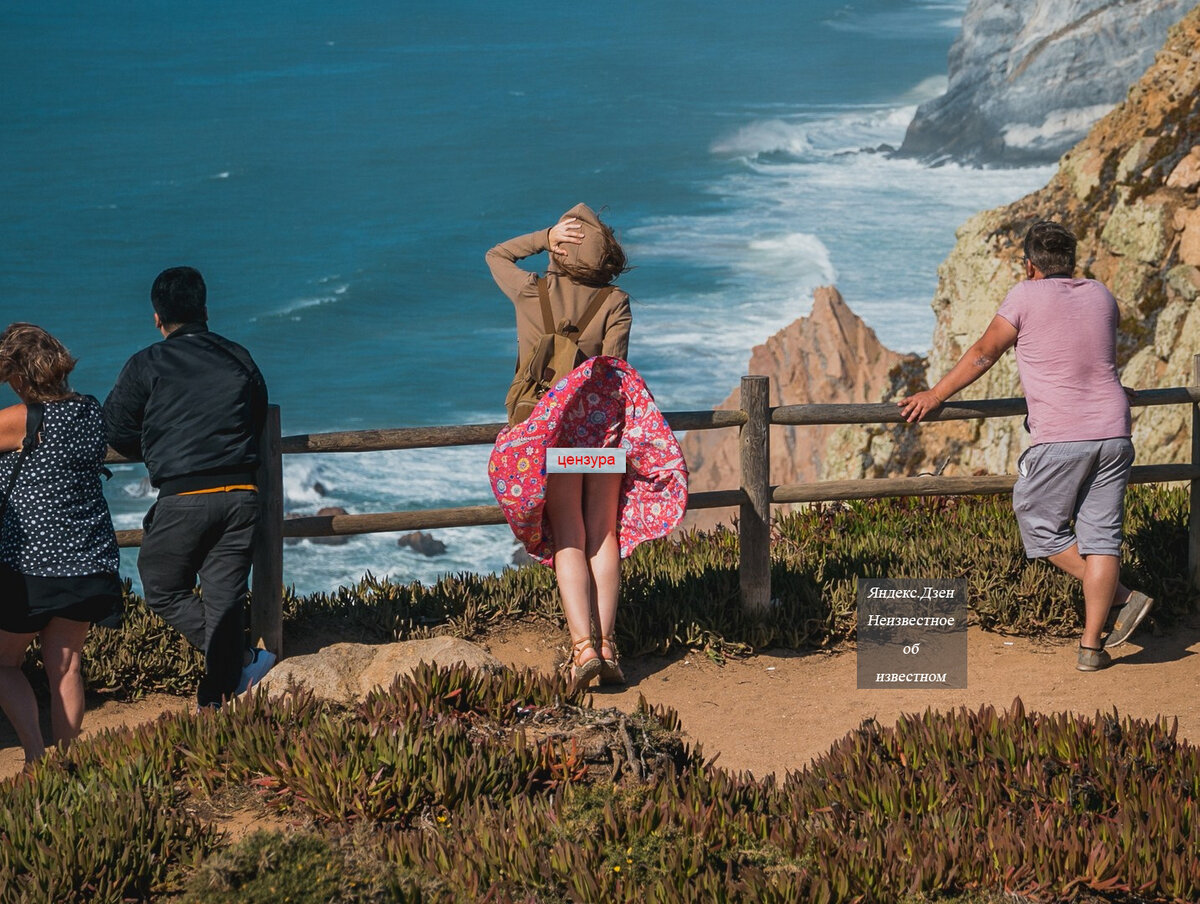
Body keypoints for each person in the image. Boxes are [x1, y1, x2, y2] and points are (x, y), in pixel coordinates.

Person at [899, 220, 1154, 671]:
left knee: (1036, 521)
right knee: (1102, 538)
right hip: (1115, 431)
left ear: (1030, 264)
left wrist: (935, 395)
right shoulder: (1100, 294)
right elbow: (1090, 354)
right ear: (1070, 262)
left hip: (1062, 433)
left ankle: (1122, 595)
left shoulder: (1024, 295)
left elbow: (984, 351)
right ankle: (1091, 648)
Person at [486, 204, 687, 692]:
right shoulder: (615, 301)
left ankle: (582, 650)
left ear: (561, 248)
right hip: (601, 431)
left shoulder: (531, 290)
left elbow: (496, 255)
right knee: (603, 533)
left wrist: (543, 234)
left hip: (547, 434)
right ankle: (610, 645)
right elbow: (616, 369)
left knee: (569, 537)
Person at [104, 267, 274, 708]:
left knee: (161, 585)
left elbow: (117, 430)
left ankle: (235, 661)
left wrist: (161, 442)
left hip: (183, 496)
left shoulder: (147, 363)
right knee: (224, 598)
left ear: (157, 317)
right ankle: (218, 697)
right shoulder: (238, 356)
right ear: (204, 310)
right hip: (241, 494)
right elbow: (255, 418)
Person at [0, 324, 122, 767]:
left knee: (4, 664)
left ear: (17, 375)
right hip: (88, 563)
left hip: (30, 568)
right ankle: (65, 765)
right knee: (66, 667)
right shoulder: (90, 411)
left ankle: (36, 757)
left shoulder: (20, 419)